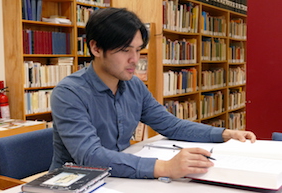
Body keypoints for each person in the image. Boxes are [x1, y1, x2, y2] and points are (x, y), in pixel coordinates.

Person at [49, 7, 256, 179]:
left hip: (118, 176)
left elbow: (170, 125)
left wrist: (224, 134)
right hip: (73, 183)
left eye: (138, 50)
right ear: (95, 48)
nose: (135, 59)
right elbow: (90, 156)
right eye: (125, 50)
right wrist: (165, 168)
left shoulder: (133, 85)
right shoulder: (69, 93)